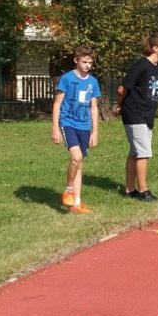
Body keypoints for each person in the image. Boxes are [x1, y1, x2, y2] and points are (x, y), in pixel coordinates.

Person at [113, 33, 158, 201]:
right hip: (135, 113)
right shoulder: (140, 66)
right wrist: (119, 105)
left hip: (147, 115)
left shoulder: (156, 69)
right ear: (155, 48)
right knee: (143, 153)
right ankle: (144, 191)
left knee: (135, 152)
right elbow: (122, 89)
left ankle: (130, 190)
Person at [51, 45, 101, 214]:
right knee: (76, 157)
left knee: (80, 163)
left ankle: (76, 203)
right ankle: (69, 189)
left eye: (90, 62)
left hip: (84, 126)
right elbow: (57, 104)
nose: (87, 65)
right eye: (84, 61)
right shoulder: (66, 79)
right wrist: (55, 128)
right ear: (76, 60)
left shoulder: (93, 82)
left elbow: (94, 108)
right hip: (68, 123)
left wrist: (95, 131)